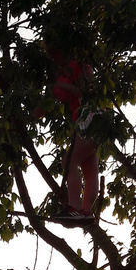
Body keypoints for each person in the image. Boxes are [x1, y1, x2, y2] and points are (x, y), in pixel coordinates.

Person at [47, 47, 98, 221]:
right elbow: (47, 103)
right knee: (89, 168)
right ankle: (86, 212)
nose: (53, 54)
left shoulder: (82, 68)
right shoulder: (60, 74)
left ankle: (74, 208)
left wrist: (64, 86)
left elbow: (89, 91)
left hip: (92, 117)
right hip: (85, 120)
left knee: (68, 162)